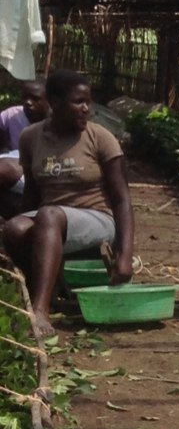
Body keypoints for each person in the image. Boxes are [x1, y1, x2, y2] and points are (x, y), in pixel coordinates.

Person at [2, 69, 133, 338]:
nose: (86, 109)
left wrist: (125, 254)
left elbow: (122, 199)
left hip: (97, 217)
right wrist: (19, 224)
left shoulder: (100, 138)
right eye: (78, 102)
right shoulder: (31, 137)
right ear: (55, 102)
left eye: (88, 102)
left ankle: (40, 312)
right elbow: (32, 195)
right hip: (51, 217)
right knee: (14, 228)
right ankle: (39, 292)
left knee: (49, 215)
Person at [0, 78, 48, 214]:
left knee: (3, 169)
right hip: (15, 164)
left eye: (35, 98)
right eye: (25, 97)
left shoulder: (57, 124)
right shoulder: (11, 115)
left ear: (49, 100)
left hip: (39, 171)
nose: (28, 102)